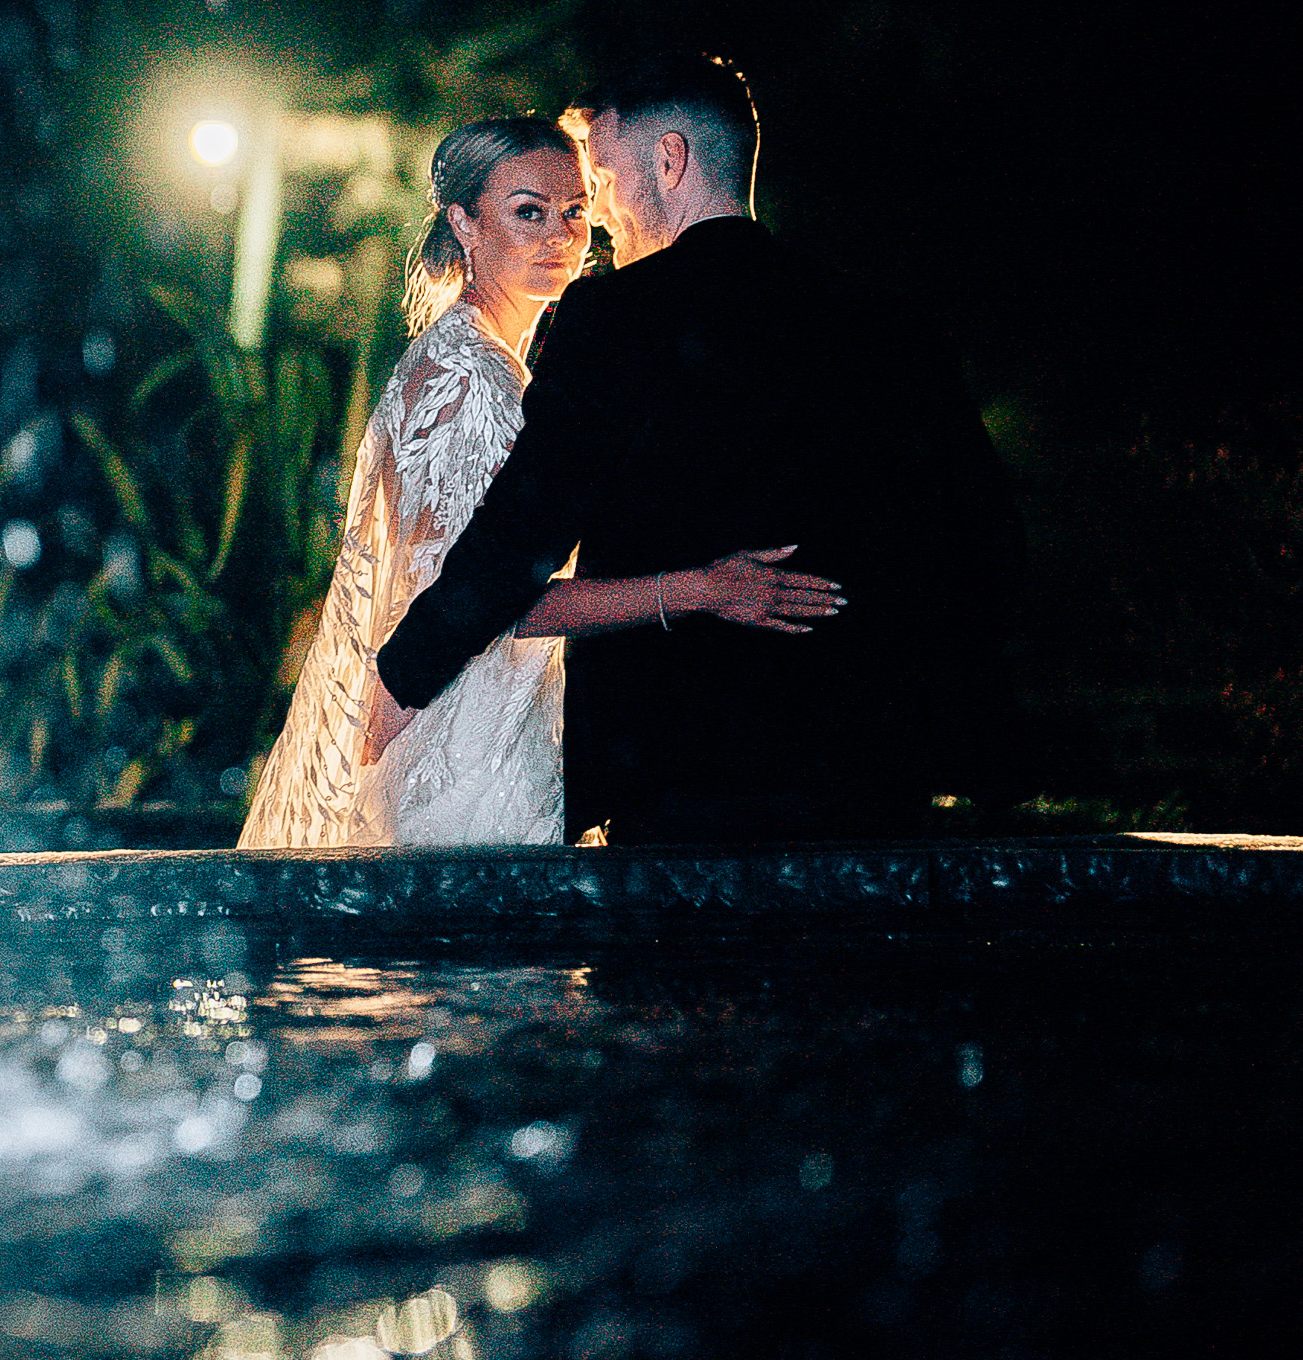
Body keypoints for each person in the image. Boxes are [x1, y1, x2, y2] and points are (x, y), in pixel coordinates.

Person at [369, 54, 1020, 842]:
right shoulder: (888, 323)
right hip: (872, 766)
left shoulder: (617, 317)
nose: (600, 217)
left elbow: (520, 535)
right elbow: (982, 534)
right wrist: (969, 745)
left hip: (682, 769)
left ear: (670, 160)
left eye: (604, 180)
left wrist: (402, 678)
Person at [238, 115, 846, 849]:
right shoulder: (467, 380)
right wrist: (705, 588)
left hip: (500, 729)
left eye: (575, 212)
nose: (560, 236)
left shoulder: (495, 367)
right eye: (529, 212)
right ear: (464, 223)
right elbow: (487, 602)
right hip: (465, 759)